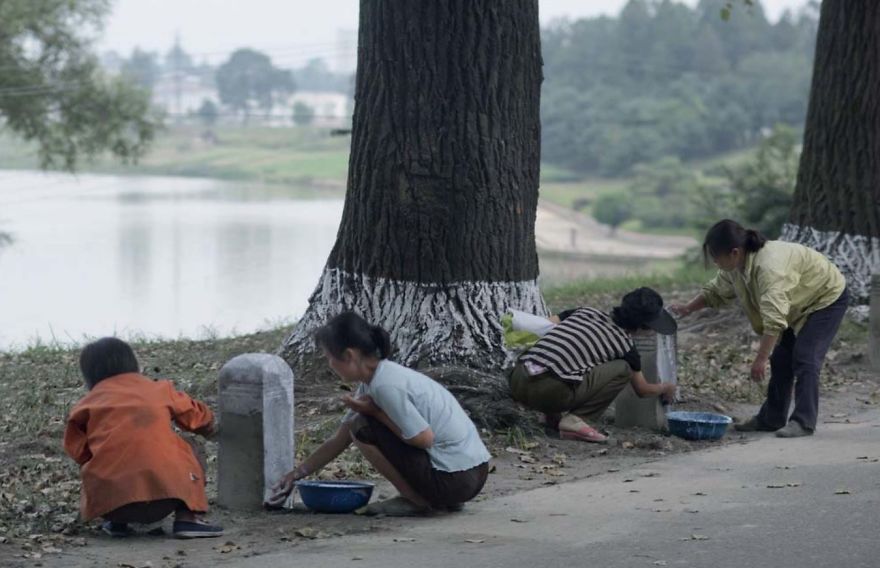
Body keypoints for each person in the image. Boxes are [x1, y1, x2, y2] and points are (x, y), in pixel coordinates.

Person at [270, 312, 491, 517]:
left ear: (349, 355)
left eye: (329, 357)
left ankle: (415, 501)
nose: (329, 365)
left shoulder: (386, 386)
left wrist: (375, 413)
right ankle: (439, 499)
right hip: (473, 474)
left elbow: (424, 439)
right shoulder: (379, 378)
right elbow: (339, 438)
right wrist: (296, 474)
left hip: (455, 480)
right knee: (358, 424)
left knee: (361, 427)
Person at [670, 220, 847, 438]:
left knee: (805, 356)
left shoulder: (769, 268)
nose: (715, 262)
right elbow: (716, 291)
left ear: (734, 252)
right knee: (782, 359)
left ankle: (803, 422)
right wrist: (688, 308)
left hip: (825, 297)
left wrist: (760, 359)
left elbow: (774, 320)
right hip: (797, 302)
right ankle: (771, 419)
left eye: (716, 257)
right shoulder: (736, 266)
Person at [63, 337, 223, 538]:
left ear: (89, 374)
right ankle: (187, 519)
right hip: (167, 497)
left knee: (99, 459)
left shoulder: (85, 405)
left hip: (112, 504)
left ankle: (116, 524)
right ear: (133, 363)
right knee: (191, 445)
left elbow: (77, 451)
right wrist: (209, 426)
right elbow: (198, 418)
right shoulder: (159, 389)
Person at [507, 287, 677, 443]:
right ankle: (575, 421)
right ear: (642, 327)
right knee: (622, 369)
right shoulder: (626, 346)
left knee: (565, 361)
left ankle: (550, 415)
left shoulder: (584, 312)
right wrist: (666, 388)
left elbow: (546, 326)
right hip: (550, 393)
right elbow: (643, 390)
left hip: (517, 379)